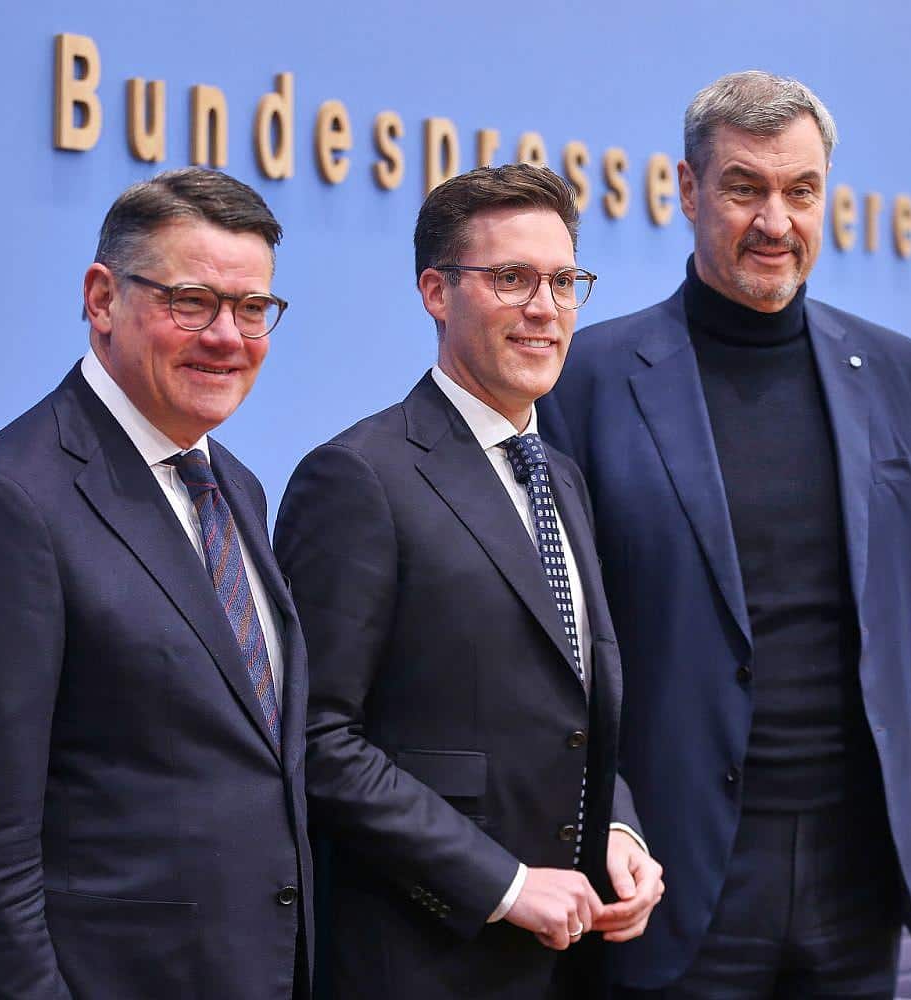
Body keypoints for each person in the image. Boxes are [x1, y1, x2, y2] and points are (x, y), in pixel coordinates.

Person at [538, 71, 911, 998]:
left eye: (801, 190)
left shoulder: (896, 374)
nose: (775, 222)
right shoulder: (586, 377)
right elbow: (560, 645)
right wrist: (608, 820)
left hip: (857, 870)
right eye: (745, 187)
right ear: (687, 189)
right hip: (667, 872)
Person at [0, 167, 311, 999]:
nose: (227, 336)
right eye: (191, 302)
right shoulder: (6, 504)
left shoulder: (233, 484)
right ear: (101, 299)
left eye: (251, 308)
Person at [274, 163, 663, 999]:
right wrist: (504, 884)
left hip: (568, 956)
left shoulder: (559, 475)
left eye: (563, 281)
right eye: (512, 278)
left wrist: (616, 826)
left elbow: (573, 713)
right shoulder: (358, 477)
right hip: (422, 958)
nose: (545, 307)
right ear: (435, 292)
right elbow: (316, 740)